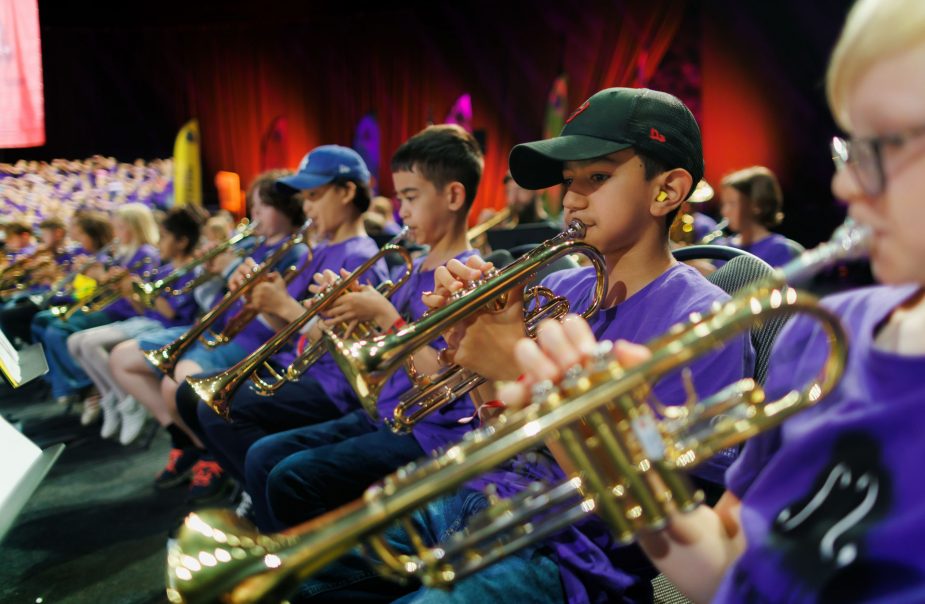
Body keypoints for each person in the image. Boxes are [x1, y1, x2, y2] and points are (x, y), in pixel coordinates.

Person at [505, 1, 925, 601]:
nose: (843, 184)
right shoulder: (821, 336)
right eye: (849, 148)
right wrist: (623, 454)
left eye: (883, 146)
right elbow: (726, 559)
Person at [295, 88, 753, 603]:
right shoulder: (560, 289)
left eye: (597, 177)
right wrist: (470, 345)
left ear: (667, 191)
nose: (572, 199)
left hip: (574, 555)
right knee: (303, 577)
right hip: (482, 498)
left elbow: (643, 509)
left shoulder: (702, 319)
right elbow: (498, 425)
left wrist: (518, 367)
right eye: (569, 182)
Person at [243, 125, 483, 532]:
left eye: (411, 197)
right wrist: (346, 314)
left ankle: (311, 568)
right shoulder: (414, 265)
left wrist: (386, 317)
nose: (401, 210)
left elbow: (442, 381)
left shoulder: (467, 276)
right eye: (400, 197)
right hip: (383, 412)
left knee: (291, 476)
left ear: (454, 197)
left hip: (427, 433)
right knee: (263, 455)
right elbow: (377, 356)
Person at [171, 145, 389, 513]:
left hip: (333, 383)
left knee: (218, 411)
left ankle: (271, 498)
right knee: (190, 396)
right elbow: (288, 325)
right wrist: (260, 298)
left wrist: (283, 304)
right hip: (298, 362)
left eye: (314, 197)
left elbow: (347, 343)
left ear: (348, 192)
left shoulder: (361, 255)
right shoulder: (321, 250)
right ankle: (258, 487)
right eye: (303, 199)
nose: (306, 208)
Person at [109, 170, 307, 502]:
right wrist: (213, 271)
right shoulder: (252, 245)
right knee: (122, 359)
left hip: (249, 338)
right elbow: (213, 299)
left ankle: (213, 456)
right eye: (252, 207)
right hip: (215, 327)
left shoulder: (296, 253)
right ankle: (188, 442)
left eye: (262, 207)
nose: (254, 215)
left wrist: (231, 269)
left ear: (286, 208)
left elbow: (278, 318)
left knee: (179, 385)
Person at [66, 207, 202, 439]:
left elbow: (169, 313)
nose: (160, 242)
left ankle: (127, 401)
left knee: (89, 344)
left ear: (182, 241)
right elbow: (143, 308)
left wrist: (147, 292)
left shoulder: (192, 271)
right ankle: (112, 396)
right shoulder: (166, 269)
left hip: (167, 328)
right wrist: (128, 290)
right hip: (145, 321)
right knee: (75, 341)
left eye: (165, 237)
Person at [31, 203, 159, 406]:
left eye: (119, 227)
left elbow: (139, 298)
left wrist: (99, 276)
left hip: (124, 313)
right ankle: (66, 384)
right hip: (109, 308)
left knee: (57, 330)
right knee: (41, 322)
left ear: (134, 228)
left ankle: (89, 387)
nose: (114, 233)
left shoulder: (146, 254)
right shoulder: (123, 252)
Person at [718, 166, 803, 267]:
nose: (724, 212)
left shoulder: (776, 250)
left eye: (732, 204)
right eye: (724, 204)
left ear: (756, 206)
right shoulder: (722, 246)